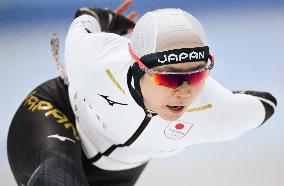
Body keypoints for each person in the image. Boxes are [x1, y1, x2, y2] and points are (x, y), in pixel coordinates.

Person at [7, 1, 277, 186]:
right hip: (57, 115)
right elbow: (86, 17)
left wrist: (231, 99)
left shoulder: (215, 111)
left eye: (196, 75)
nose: (184, 91)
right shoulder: (96, 62)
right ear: (138, 68)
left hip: (117, 172)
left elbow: (265, 104)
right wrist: (110, 20)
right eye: (168, 77)